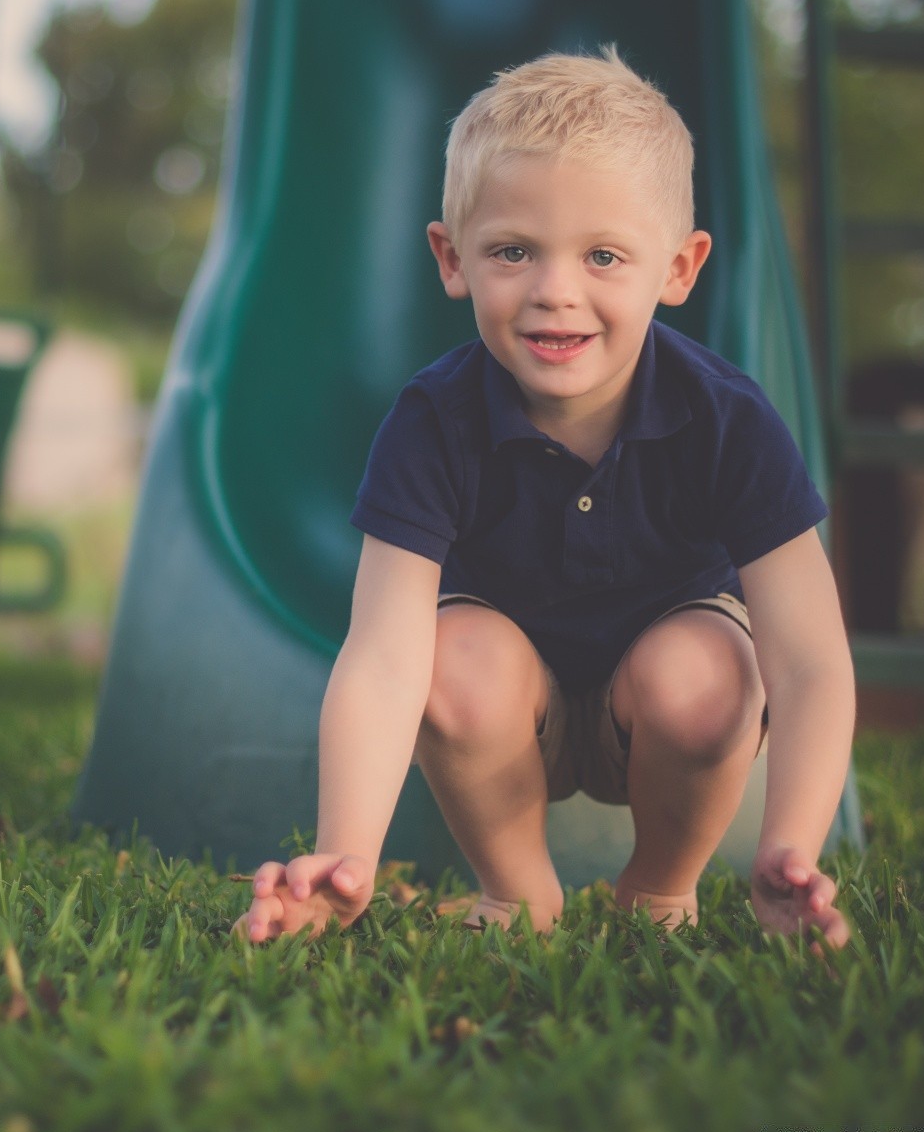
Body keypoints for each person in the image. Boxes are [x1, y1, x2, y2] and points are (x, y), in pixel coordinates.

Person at [233, 48, 854, 948]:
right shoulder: (431, 422)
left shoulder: (727, 420)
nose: (555, 293)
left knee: (712, 670)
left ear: (678, 270)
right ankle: (520, 894)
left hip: (665, 709)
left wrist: (790, 844)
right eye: (514, 251)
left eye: (604, 256)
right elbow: (381, 660)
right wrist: (345, 856)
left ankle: (657, 890)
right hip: (507, 709)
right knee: (445, 654)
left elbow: (809, 664)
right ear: (453, 259)